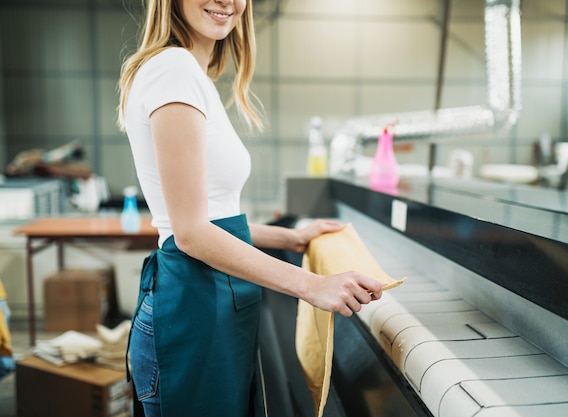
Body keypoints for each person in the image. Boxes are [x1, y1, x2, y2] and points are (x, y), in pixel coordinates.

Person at [116, 0, 384, 416]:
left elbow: (212, 218)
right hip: (194, 309)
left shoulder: (191, 74)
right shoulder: (173, 70)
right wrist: (311, 286)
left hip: (209, 304)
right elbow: (189, 233)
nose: (228, 2)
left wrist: (292, 237)